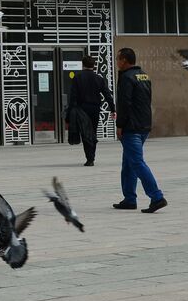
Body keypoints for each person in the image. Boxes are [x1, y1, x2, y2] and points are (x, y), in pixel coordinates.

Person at [113, 47, 167, 214]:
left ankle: (157, 197)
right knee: (128, 163)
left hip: (131, 127)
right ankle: (129, 199)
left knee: (136, 162)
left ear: (124, 60)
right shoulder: (143, 75)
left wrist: (120, 125)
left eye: (118, 59)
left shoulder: (127, 78)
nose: (116, 62)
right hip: (144, 125)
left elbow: (125, 104)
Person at [66, 57, 114, 167]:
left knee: (85, 133)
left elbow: (73, 98)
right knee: (93, 132)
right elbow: (107, 95)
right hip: (95, 109)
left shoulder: (77, 78)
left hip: (82, 109)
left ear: (82, 64)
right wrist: (113, 109)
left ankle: (90, 158)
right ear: (94, 65)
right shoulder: (99, 78)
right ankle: (92, 156)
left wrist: (68, 116)